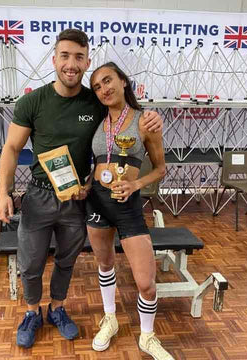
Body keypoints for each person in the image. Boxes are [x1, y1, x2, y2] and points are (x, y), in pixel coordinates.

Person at [0, 29, 163, 349]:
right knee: (31, 263)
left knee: (66, 261)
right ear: (54, 58)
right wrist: (3, 192)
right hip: (40, 195)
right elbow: (11, 148)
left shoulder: (95, 100)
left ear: (86, 62)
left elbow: (125, 116)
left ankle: (57, 308)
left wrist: (152, 117)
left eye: (78, 57)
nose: (71, 64)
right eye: (65, 56)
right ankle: (32, 313)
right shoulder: (33, 101)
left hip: (78, 197)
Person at [86, 62, 173, 359]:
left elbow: (161, 169)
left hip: (128, 205)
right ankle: (109, 318)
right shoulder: (97, 120)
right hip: (97, 202)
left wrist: (137, 186)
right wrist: (85, 186)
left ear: (123, 81)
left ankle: (147, 336)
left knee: (146, 283)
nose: (103, 89)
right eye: (97, 86)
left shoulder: (145, 122)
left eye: (108, 81)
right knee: (105, 264)